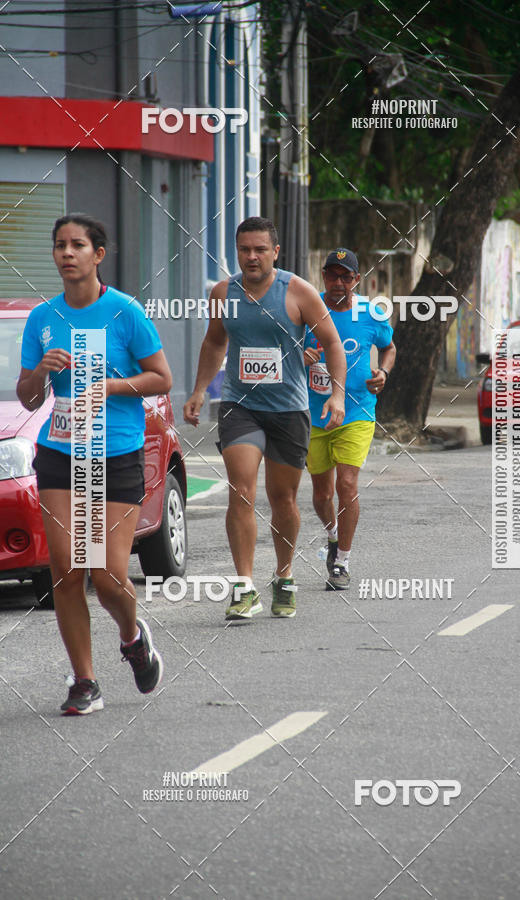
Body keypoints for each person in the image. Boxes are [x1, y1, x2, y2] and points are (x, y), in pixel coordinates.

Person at [17, 213, 172, 715]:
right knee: (65, 570)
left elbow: (162, 378)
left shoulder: (125, 312)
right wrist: (41, 371)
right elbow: (26, 396)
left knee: (106, 574)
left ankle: (131, 636)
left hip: (116, 452)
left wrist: (109, 386)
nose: (66, 253)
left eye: (77, 245)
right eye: (59, 244)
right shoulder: (43, 319)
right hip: (60, 451)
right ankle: (84, 681)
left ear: (97, 255)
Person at [183, 216, 346, 621]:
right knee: (240, 488)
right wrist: (200, 390)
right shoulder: (224, 292)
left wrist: (338, 395)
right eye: (244, 250)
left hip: (289, 409)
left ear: (275, 252)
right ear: (236, 252)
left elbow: (332, 343)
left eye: (259, 250)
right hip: (240, 405)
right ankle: (244, 586)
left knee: (283, 499)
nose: (251, 257)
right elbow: (215, 341)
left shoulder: (299, 292)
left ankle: (285, 575)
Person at [304, 248, 396, 590]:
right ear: (323, 276)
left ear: (357, 280)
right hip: (314, 415)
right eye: (332, 275)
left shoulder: (371, 314)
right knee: (320, 494)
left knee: (347, 485)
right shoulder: (307, 310)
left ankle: (341, 561)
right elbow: (285, 350)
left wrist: (383, 371)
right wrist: (302, 355)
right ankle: (332, 535)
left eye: (346, 276)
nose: (338, 282)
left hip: (358, 410)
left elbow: (389, 346)